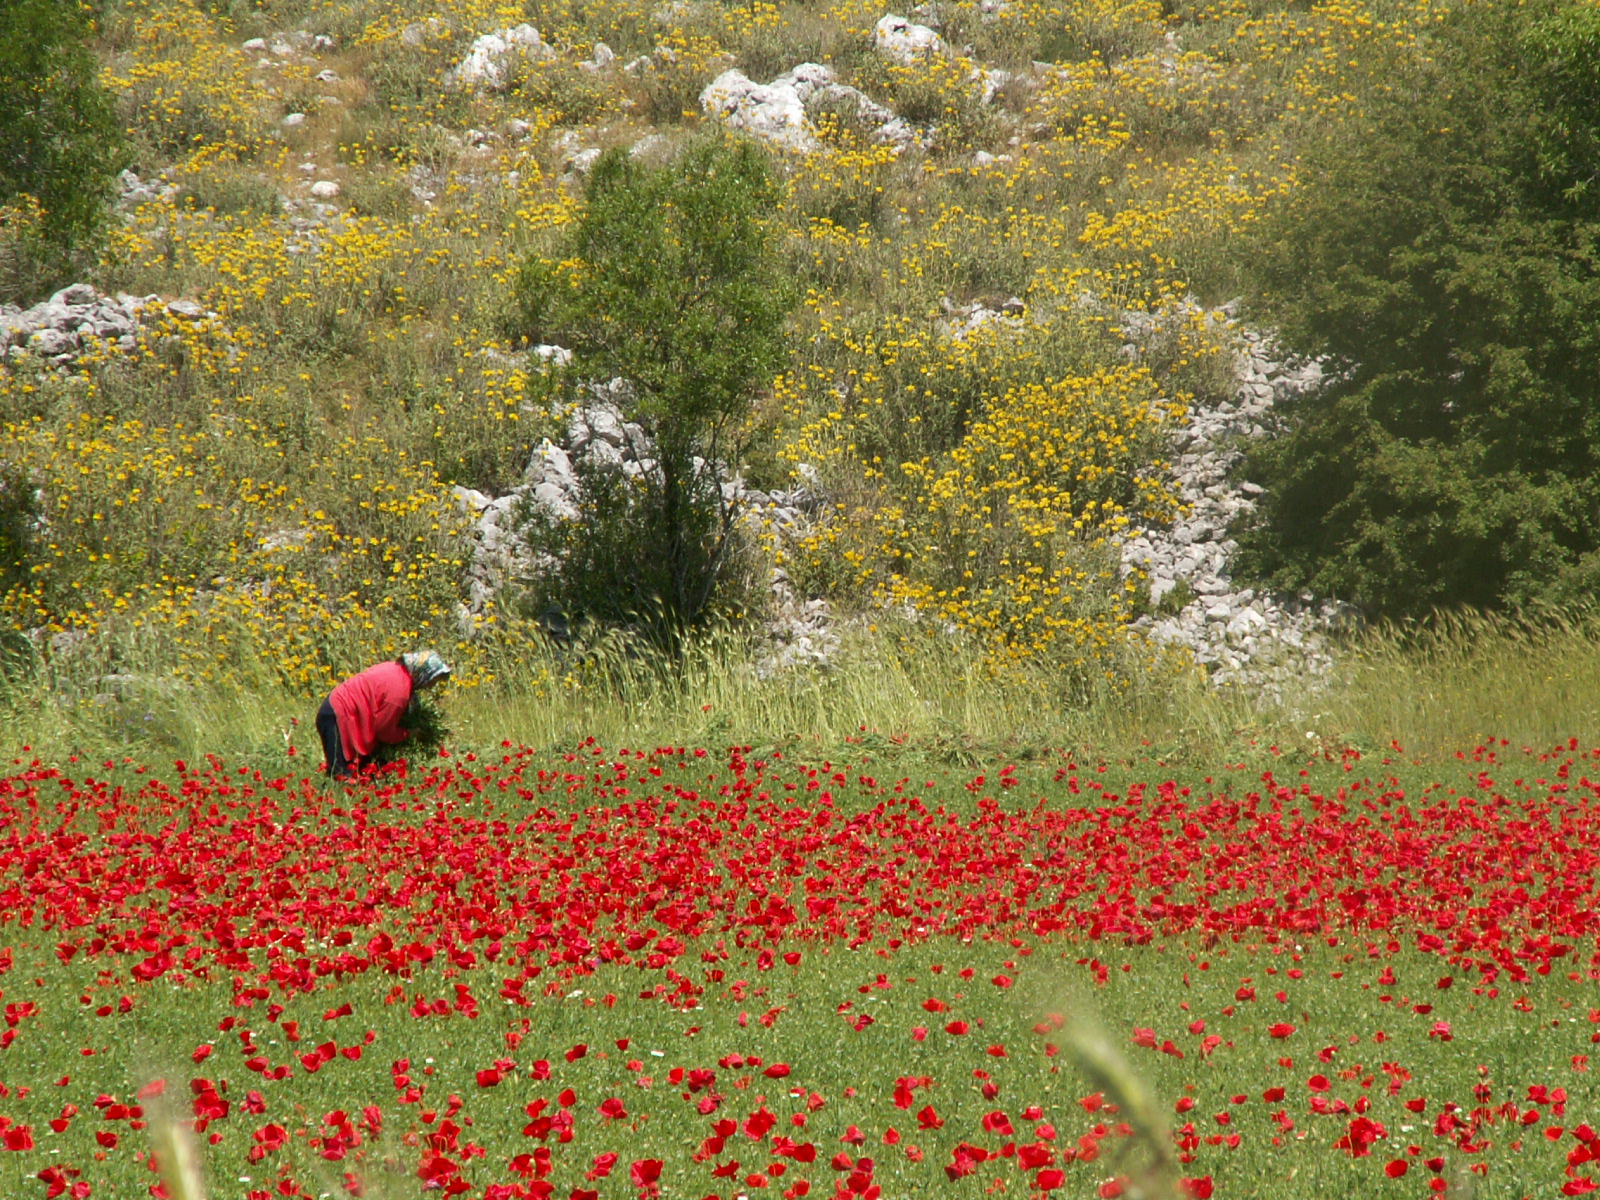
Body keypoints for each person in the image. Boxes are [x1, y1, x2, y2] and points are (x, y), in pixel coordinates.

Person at [316, 650, 452, 778]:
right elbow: (383, 731)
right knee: (343, 776)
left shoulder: (395, 669)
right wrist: (409, 733)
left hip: (338, 710)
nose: (431, 686)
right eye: (432, 681)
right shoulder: (399, 692)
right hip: (338, 716)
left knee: (362, 773)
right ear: (423, 674)